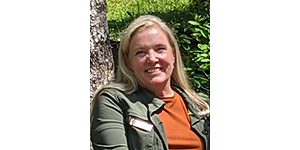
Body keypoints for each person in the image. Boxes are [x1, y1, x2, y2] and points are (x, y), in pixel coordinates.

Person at [90, 15, 210, 150]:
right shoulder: (114, 101)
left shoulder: (202, 107)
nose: (152, 59)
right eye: (141, 52)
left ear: (174, 54)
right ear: (128, 61)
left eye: (160, 49)